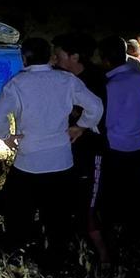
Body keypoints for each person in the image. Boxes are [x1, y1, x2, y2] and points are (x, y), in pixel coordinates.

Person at [0, 37, 103, 270]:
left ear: (24, 58)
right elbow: (96, 106)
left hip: (28, 162)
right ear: (50, 56)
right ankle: (55, 261)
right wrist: (81, 126)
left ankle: (17, 254)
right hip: (61, 161)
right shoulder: (67, 80)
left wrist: (6, 136)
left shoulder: (17, 84)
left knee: (19, 212)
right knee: (58, 216)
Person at [52, 33, 111, 266]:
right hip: (68, 151)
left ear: (74, 56)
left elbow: (99, 113)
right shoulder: (62, 77)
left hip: (91, 152)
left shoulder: (96, 80)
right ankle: (72, 252)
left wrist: (79, 125)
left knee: (89, 205)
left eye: (58, 55)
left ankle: (106, 257)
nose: (55, 60)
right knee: (68, 200)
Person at [99, 36, 140, 237]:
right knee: (136, 194)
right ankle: (136, 231)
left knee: (113, 194)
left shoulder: (112, 85)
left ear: (104, 59)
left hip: (116, 148)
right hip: (139, 145)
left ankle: (114, 230)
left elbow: (108, 121)